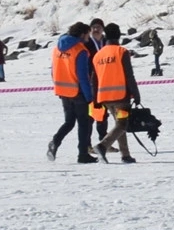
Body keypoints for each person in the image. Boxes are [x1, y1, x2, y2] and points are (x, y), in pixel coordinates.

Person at [47, 22, 97, 164]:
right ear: (82, 34)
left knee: (69, 122)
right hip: (77, 91)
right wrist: (89, 95)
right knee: (84, 123)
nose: (89, 37)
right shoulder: (80, 50)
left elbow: (53, 70)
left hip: (62, 90)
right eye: (88, 34)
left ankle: (55, 141)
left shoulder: (57, 48)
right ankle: (82, 154)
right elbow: (82, 75)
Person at [92, 23, 140, 164]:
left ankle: (125, 155)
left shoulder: (98, 55)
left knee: (119, 125)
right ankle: (102, 146)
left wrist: (96, 99)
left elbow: (93, 79)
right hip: (120, 96)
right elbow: (129, 75)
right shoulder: (121, 52)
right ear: (119, 35)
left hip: (105, 97)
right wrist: (136, 94)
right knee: (122, 124)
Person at [84, 18, 109, 146]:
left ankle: (104, 142)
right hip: (90, 82)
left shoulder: (106, 42)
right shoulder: (87, 43)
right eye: (93, 27)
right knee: (90, 115)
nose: (95, 29)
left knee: (104, 114)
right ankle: (87, 144)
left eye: (98, 27)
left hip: (105, 82)